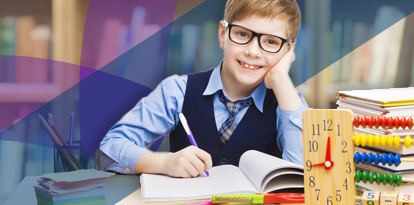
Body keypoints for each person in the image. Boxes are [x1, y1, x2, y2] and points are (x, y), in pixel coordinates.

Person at [99, 0, 308, 178]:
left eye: (271, 42)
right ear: (222, 34)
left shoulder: (288, 103)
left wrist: (280, 77)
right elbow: (109, 148)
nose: (253, 51)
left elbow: (305, 174)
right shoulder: (178, 90)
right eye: (243, 34)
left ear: (289, 50)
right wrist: (163, 163)